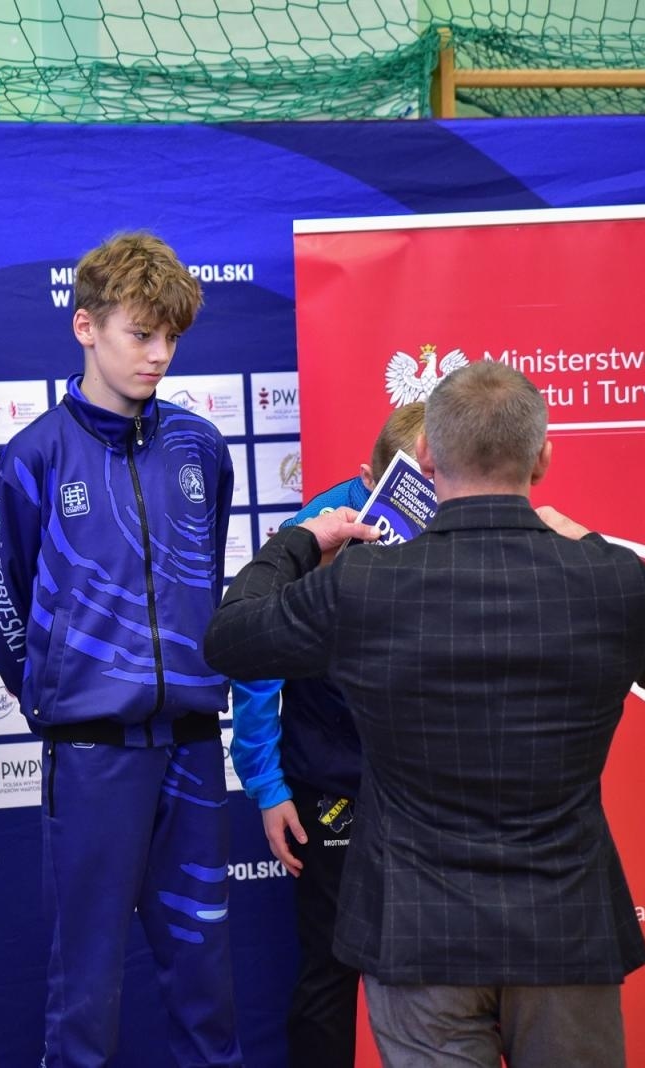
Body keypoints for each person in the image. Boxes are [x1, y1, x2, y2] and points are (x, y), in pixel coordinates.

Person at [205, 359, 645, 1067]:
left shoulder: (364, 584)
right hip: (566, 932)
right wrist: (595, 548)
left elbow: (229, 640)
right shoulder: (609, 578)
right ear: (543, 455)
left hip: (419, 941)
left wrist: (301, 541)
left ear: (426, 459)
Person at [0, 232, 242, 1067]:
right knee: (86, 990)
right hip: (92, 757)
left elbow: (204, 572)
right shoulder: (34, 458)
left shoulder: (201, 449)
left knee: (207, 982)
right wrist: (56, 697)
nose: (158, 355)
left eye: (170, 338)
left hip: (194, 753)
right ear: (86, 327)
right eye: (141, 334)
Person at [229, 400, 424, 1067]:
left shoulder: (461, 525)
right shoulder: (313, 533)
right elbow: (255, 668)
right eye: (408, 485)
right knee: (331, 967)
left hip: (431, 785)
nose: (422, 503)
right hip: (332, 782)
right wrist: (267, 785)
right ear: (368, 476)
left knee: (439, 971)